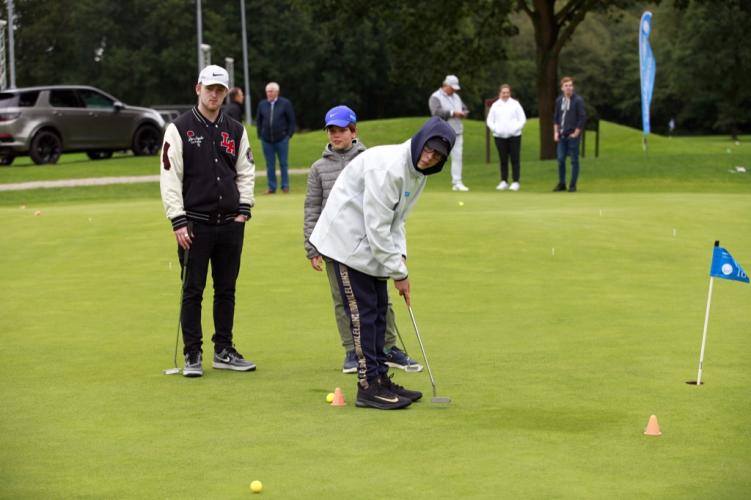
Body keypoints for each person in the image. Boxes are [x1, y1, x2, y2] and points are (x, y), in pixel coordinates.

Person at [309, 116, 456, 410]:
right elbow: (376, 225)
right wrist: (399, 273)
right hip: (345, 244)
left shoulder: (417, 173)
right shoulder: (388, 167)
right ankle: (368, 388)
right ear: (421, 141)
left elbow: (397, 220)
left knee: (377, 312)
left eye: (438, 156)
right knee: (364, 315)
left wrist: (400, 259)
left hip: (367, 247)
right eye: (429, 149)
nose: (430, 158)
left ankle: (380, 379)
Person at [303, 105, 423, 375]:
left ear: (353, 131)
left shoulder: (372, 160)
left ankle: (387, 347)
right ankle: (351, 350)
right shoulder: (319, 168)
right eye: (331, 130)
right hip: (334, 242)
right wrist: (312, 247)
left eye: (341, 130)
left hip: (370, 241)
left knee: (380, 299)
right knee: (342, 299)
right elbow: (312, 207)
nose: (336, 135)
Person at [159, 64, 256, 377]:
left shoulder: (235, 129)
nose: (214, 94)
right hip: (194, 225)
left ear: (225, 93)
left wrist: (243, 210)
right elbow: (170, 176)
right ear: (198, 88)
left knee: (226, 290)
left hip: (230, 223)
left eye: (220, 90)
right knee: (193, 290)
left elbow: (246, 171)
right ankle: (192, 353)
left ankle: (224, 350)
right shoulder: (178, 129)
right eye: (209, 88)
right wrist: (177, 219)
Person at [429, 75, 469, 192]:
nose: (454, 90)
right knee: (434, 156)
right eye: (452, 88)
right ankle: (425, 178)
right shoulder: (435, 97)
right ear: (445, 85)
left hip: (457, 132)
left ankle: (457, 182)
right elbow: (436, 112)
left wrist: (464, 113)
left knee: (458, 158)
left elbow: (464, 108)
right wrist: (453, 113)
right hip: (442, 132)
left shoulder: (456, 97)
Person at [255, 82, 296, 194]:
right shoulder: (262, 104)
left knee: (283, 163)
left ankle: (285, 186)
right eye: (267, 91)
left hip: (282, 139)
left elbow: (292, 120)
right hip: (266, 140)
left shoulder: (285, 103)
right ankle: (271, 187)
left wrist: (288, 135)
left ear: (277, 92)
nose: (269, 93)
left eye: (271, 91)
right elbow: (258, 120)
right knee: (270, 165)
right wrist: (260, 134)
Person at [486, 84, 527, 191]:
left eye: (507, 92)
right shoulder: (495, 105)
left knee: (515, 159)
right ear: (500, 93)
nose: (505, 94)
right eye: (503, 92)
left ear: (510, 93)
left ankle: (515, 181)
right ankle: (503, 181)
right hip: (499, 136)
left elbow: (522, 119)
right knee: (503, 159)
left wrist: (516, 129)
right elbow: (490, 120)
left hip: (514, 136)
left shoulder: (515, 104)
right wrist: (495, 129)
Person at [553, 76, 586, 192]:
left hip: (573, 135)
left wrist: (576, 132)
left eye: (570, 85)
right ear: (562, 88)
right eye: (566, 86)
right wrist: (555, 132)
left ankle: (573, 184)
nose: (568, 88)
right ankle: (562, 183)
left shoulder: (578, 100)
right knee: (561, 159)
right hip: (562, 135)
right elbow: (556, 118)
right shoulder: (559, 100)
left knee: (574, 160)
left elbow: (582, 117)